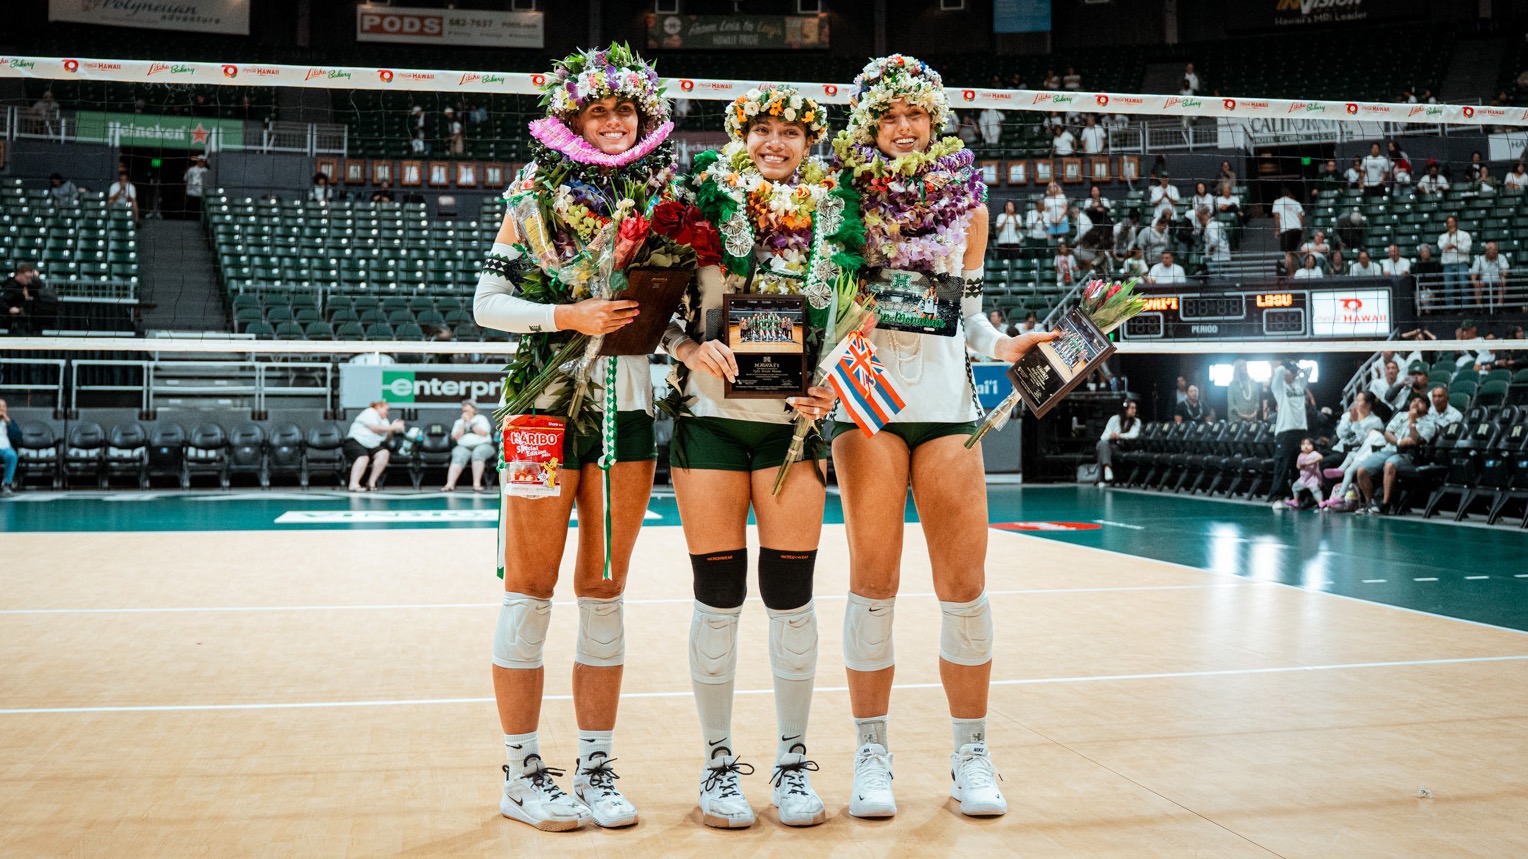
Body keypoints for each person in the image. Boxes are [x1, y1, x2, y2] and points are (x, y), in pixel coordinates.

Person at [829, 53, 1056, 822]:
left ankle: (970, 753)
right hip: (865, 395)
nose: (902, 126)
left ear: (935, 120)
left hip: (946, 398)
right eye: (888, 114)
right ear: (869, 122)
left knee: (963, 585)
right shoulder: (842, 199)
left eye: (915, 113)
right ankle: (871, 751)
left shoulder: (972, 209)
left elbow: (973, 317)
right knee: (875, 580)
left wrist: (1006, 348)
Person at [472, 43, 685, 832]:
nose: (612, 121)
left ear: (643, 117)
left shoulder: (667, 195)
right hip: (541, 401)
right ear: (571, 118)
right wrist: (568, 315)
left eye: (625, 109)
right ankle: (523, 768)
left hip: (627, 403)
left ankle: (596, 763)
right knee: (528, 586)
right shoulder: (532, 192)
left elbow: (680, 302)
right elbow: (486, 303)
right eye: (598, 109)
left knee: (604, 587)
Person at [664, 85, 849, 829]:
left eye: (789, 133)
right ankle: (717, 763)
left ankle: (794, 757)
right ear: (741, 135)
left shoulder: (840, 215)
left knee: (790, 594)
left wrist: (837, 377)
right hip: (709, 421)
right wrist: (685, 344)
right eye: (762, 130)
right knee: (718, 597)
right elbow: (651, 306)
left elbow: (859, 312)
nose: (775, 142)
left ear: (809, 143)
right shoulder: (700, 200)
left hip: (792, 427)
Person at [1268, 363, 1309, 505]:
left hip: (1300, 429)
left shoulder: (1299, 384)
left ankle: (1297, 497)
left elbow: (1309, 370)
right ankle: (1277, 497)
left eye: (1291, 372)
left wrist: (1297, 368)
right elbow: (1278, 372)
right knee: (1282, 465)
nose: (1288, 374)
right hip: (1285, 431)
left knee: (1298, 465)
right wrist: (1284, 365)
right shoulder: (1279, 387)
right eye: (1287, 372)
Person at [344, 400, 404, 492]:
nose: (387, 412)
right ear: (378, 407)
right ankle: (353, 484)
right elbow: (375, 428)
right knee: (363, 457)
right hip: (356, 441)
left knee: (384, 453)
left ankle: (371, 482)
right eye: (386, 409)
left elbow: (386, 439)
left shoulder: (384, 421)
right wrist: (393, 427)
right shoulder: (370, 412)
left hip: (371, 445)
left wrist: (392, 429)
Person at [441, 400, 493, 492]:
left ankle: (476, 484)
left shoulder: (481, 418)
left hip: (483, 445)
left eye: (467, 408)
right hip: (463, 446)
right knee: (458, 455)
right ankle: (450, 484)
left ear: (474, 409)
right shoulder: (459, 422)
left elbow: (484, 433)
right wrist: (463, 424)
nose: (465, 411)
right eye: (464, 409)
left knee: (478, 454)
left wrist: (470, 422)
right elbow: (456, 437)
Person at [1437, 216, 1472, 308]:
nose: (1450, 224)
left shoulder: (1464, 235)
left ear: (1456, 223)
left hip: (1461, 263)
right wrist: (1449, 236)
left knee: (1464, 286)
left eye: (1452, 222)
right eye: (1449, 222)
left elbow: (1466, 249)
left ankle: (1465, 307)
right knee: (1448, 287)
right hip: (1447, 264)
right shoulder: (1442, 236)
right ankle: (1450, 308)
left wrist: (1455, 246)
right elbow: (1441, 246)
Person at [2, 262, 43, 336]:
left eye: (30, 277)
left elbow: (39, 287)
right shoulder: (11, 286)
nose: (29, 280)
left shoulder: (27, 285)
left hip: (30, 323)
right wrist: (9, 309)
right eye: (27, 277)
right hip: (16, 324)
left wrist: (36, 277)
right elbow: (2, 302)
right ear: (19, 275)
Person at [1282, 438, 1322, 509]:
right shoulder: (1301, 455)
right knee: (1295, 487)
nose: (1306, 446)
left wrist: (1309, 462)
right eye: (1303, 444)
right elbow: (1298, 466)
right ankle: (1295, 501)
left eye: (1309, 444)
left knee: (1315, 490)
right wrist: (1301, 465)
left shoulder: (1314, 454)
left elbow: (1320, 457)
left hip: (1312, 478)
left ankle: (1321, 502)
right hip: (1303, 479)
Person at [1272, 186, 1304, 276]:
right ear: (1289, 194)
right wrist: (1302, 232)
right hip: (1297, 229)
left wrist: (1276, 230)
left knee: (1287, 253)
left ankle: (1291, 274)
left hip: (1287, 230)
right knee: (1292, 250)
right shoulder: (1296, 202)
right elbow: (1300, 217)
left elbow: (1277, 217)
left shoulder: (1277, 202)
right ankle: (1302, 260)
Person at [1469, 241, 1510, 308]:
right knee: (1477, 284)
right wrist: (1474, 282)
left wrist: (1503, 275)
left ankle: (1499, 306)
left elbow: (1505, 271)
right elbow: (1474, 273)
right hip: (1484, 280)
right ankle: (1479, 307)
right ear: (1486, 251)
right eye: (1490, 250)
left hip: (1497, 279)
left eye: (1494, 250)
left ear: (1497, 250)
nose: (1492, 252)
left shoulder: (1501, 257)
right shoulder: (1479, 259)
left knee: (1503, 281)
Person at [1412, 244, 1442, 313]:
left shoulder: (1436, 265)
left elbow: (1438, 279)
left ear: (1430, 253)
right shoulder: (1416, 266)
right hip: (1420, 289)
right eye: (1423, 252)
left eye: (1427, 251)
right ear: (1420, 254)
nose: (1425, 253)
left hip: (1433, 289)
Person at [0, 398, 18, 495]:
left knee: (12, 455)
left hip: (5, 448)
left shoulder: (10, 422)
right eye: (0, 407)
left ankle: (6, 484)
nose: (2, 409)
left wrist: (8, 422)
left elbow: (17, 436)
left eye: (4, 407)